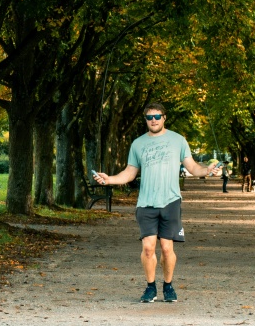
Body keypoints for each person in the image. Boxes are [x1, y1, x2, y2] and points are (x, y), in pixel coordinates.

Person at [93, 102, 221, 303]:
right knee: (148, 248)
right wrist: (109, 179)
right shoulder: (138, 144)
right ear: (145, 120)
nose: (153, 120)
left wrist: (208, 171)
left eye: (157, 117)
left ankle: (168, 286)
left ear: (164, 118)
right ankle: (150, 287)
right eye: (149, 117)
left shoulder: (178, 140)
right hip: (146, 203)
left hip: (170, 202)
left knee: (167, 248)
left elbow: (194, 167)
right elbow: (129, 173)